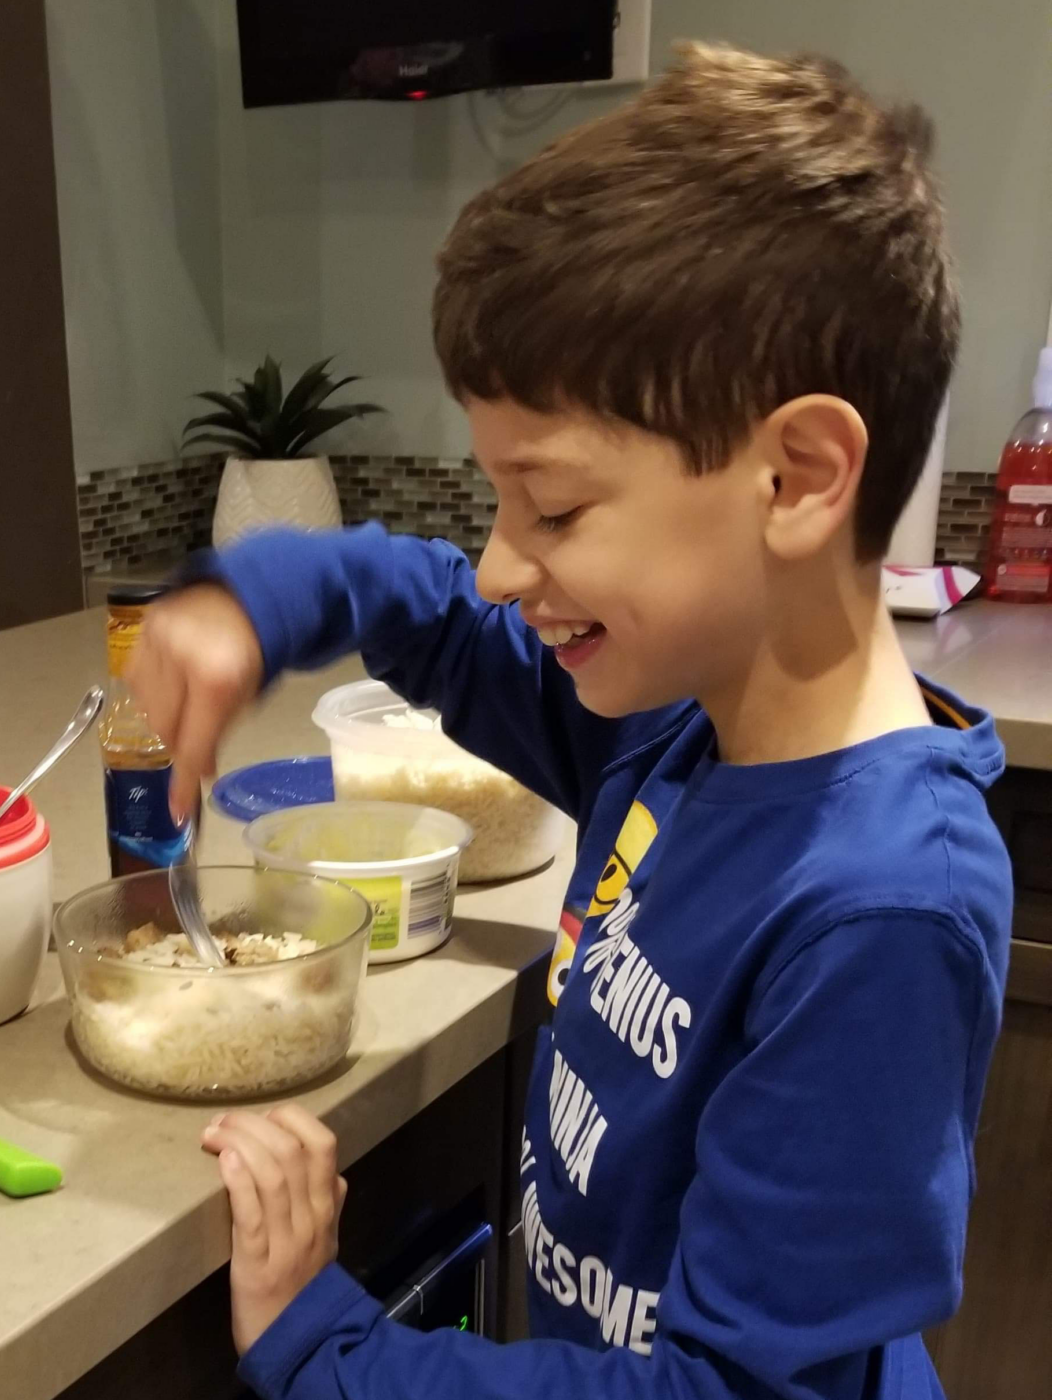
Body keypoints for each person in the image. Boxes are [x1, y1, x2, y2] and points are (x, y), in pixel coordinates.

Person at [126, 42, 1012, 1400]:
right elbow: (433, 608)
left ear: (796, 476)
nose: (496, 561)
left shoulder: (874, 910)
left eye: (550, 509)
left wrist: (330, 1350)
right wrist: (261, 591)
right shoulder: (677, 725)